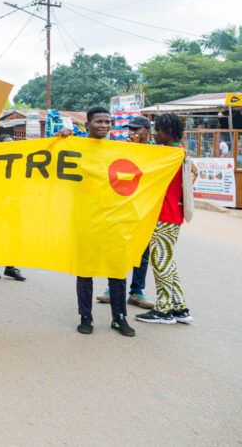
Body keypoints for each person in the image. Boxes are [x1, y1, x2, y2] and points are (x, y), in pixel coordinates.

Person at [67, 106, 135, 337]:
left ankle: (120, 318)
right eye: (99, 122)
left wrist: (178, 156)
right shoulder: (75, 147)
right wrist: (60, 139)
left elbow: (145, 164)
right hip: (85, 219)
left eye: (108, 122)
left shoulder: (117, 149)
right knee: (85, 271)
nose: (105, 125)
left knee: (117, 270)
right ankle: (86, 316)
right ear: (88, 124)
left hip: (114, 219)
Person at [136, 113, 194, 325]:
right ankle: (180, 307)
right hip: (172, 214)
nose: (155, 133)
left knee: (160, 262)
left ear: (168, 132)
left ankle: (163, 310)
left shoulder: (169, 155)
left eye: (158, 129)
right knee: (167, 261)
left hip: (165, 215)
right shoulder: (178, 151)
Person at [94, 116, 153, 308]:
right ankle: (113, 289)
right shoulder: (122, 148)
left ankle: (136, 292)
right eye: (131, 129)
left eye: (138, 129)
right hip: (123, 207)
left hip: (145, 209)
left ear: (147, 130)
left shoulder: (157, 152)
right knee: (118, 250)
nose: (133, 132)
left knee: (142, 253)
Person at [0, 135, 26, 282]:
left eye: (12, 144)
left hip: (14, 203)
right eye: (6, 144)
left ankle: (10, 267)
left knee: (14, 236)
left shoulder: (18, 160)